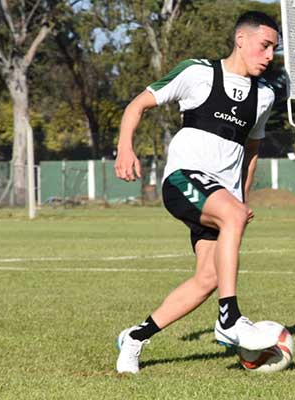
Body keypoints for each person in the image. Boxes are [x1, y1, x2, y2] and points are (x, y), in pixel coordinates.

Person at [113, 11, 280, 374]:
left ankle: (135, 338)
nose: (269, 56)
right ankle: (230, 318)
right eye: (264, 46)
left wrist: (241, 199)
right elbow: (137, 104)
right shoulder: (197, 72)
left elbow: (251, 152)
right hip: (182, 179)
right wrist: (125, 148)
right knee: (231, 222)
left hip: (220, 195)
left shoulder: (264, 96)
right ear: (241, 40)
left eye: (273, 50)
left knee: (209, 278)